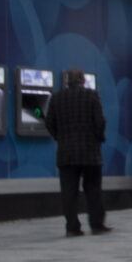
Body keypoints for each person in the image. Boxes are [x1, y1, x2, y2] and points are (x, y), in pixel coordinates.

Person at [45, 68, 109, 237]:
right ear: (82, 80)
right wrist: (99, 137)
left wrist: (59, 137)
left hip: (66, 153)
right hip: (90, 152)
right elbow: (100, 121)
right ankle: (96, 224)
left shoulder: (57, 98)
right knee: (93, 189)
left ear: (67, 81)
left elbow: (49, 122)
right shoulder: (92, 95)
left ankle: (72, 227)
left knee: (69, 192)